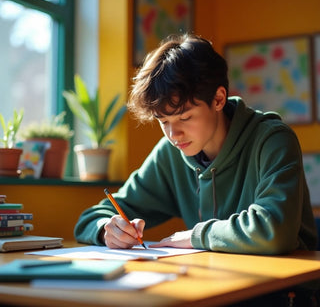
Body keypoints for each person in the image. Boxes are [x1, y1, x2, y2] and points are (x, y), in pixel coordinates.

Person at [74, 34, 317, 255]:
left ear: (219, 99)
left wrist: (197, 236)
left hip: (285, 292)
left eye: (185, 117)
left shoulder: (272, 140)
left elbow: (275, 232)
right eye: (163, 121)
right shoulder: (170, 153)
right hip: (216, 283)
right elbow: (90, 218)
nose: (173, 134)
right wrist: (107, 229)